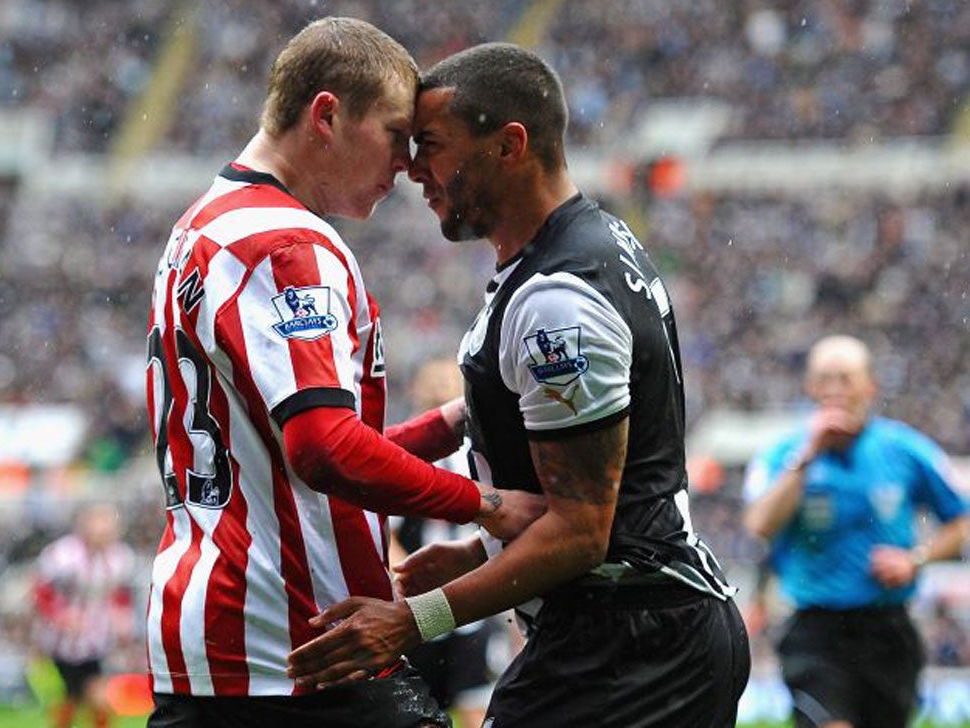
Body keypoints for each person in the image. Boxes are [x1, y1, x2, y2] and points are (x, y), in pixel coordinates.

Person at [287, 42, 751, 727]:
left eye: (433, 145)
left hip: (632, 643)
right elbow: (569, 465)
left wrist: (413, 621)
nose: (414, 169)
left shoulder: (558, 298)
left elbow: (580, 530)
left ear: (509, 146)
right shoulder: (576, 250)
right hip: (631, 630)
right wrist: (479, 548)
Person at [143, 19, 541, 728]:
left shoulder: (202, 227)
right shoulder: (288, 243)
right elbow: (324, 449)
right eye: (395, 134)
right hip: (301, 643)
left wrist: (446, 427)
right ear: (326, 114)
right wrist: (483, 504)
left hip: (213, 635)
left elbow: (297, 453)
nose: (410, 165)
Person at [741, 334, 969, 728]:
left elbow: (961, 521)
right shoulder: (785, 455)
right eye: (824, 379)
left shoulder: (906, 450)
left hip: (888, 630)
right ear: (810, 388)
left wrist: (916, 560)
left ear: (870, 386)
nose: (834, 390)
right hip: (816, 632)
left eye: (845, 378)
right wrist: (808, 457)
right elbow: (759, 525)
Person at [389, 357, 497, 728]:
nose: (438, 387)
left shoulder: (475, 455)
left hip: (462, 606)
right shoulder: (400, 456)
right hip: (424, 606)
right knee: (414, 708)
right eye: (431, 380)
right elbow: (385, 532)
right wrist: (404, 581)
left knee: (471, 705)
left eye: (444, 380)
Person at [31, 503, 135, 728]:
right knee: (74, 699)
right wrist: (60, 617)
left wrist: (122, 616)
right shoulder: (62, 554)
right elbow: (40, 591)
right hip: (60, 642)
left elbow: (120, 592)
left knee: (95, 697)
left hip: (94, 639)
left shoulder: (119, 557)